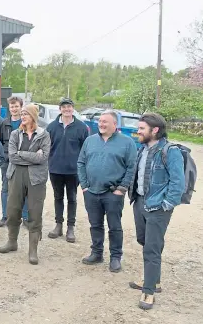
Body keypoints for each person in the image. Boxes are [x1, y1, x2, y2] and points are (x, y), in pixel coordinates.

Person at [128, 113, 185, 310]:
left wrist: (166, 205)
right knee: (145, 242)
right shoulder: (142, 149)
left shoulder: (171, 151)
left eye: (142, 128)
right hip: (140, 203)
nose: (138, 131)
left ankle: (149, 291)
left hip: (158, 208)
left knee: (152, 248)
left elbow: (178, 183)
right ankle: (155, 280)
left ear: (155, 130)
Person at [77, 109, 137, 273]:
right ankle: (97, 253)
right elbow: (81, 162)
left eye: (105, 122)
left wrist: (122, 188)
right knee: (95, 225)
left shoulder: (127, 142)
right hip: (91, 192)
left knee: (114, 226)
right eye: (100, 121)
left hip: (113, 193)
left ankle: (115, 257)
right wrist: (84, 186)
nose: (101, 124)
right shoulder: (90, 141)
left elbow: (132, 167)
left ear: (114, 124)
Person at [0, 104, 50, 265]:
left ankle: (33, 250)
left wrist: (24, 154)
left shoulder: (44, 135)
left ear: (33, 116)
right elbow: (12, 156)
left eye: (26, 114)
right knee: (13, 210)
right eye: (22, 114)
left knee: (35, 212)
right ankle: (12, 241)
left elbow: (44, 157)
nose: (23, 116)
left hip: (36, 178)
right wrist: (32, 155)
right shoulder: (15, 134)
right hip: (16, 175)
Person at [45, 97, 89, 242]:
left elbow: (85, 150)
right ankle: (58, 225)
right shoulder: (51, 127)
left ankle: (70, 227)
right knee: (58, 197)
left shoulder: (81, 128)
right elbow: (46, 148)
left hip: (73, 171)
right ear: (60, 109)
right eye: (64, 107)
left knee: (72, 198)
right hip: (55, 169)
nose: (67, 109)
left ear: (73, 109)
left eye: (69, 107)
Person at [0, 96, 29, 227]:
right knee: (6, 188)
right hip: (7, 162)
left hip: (23, 162)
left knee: (24, 189)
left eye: (16, 106)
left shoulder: (27, 123)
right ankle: (5, 216)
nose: (14, 109)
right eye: (12, 107)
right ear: (9, 108)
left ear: (21, 107)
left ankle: (26, 217)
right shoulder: (4, 124)